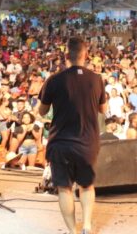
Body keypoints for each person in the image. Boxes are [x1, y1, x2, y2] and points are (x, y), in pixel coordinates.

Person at [39, 38, 107, 234]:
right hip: (88, 142)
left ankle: (72, 231)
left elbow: (42, 111)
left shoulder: (54, 80)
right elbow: (103, 109)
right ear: (86, 55)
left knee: (64, 188)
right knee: (87, 185)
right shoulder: (96, 79)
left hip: (61, 142)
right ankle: (86, 226)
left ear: (66, 55)